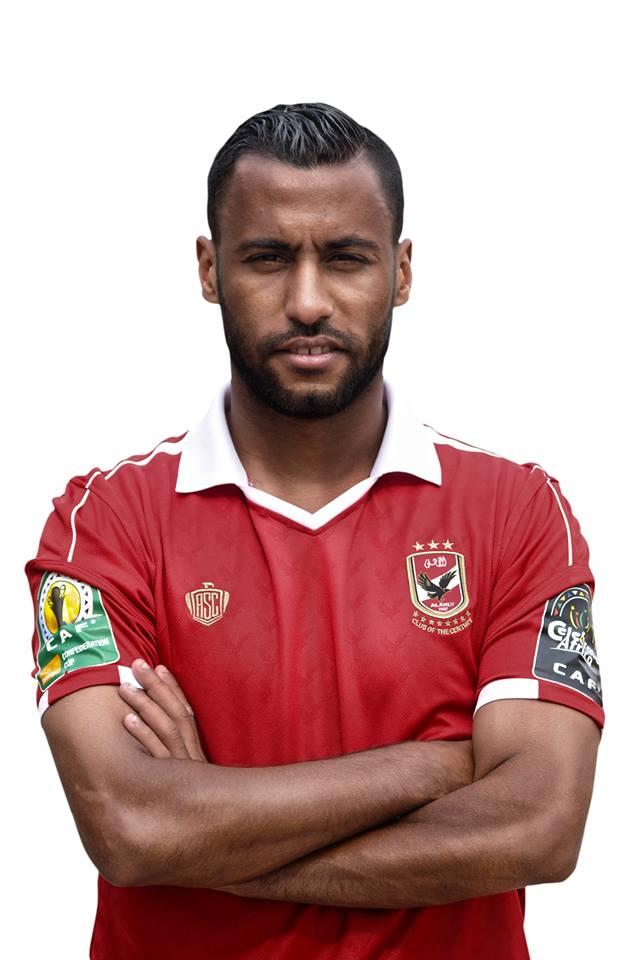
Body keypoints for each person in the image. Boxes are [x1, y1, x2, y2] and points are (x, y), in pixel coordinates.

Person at [25, 102, 603, 960]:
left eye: (344, 258)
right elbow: (130, 827)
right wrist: (436, 765)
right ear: (209, 269)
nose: (306, 301)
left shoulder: (518, 512)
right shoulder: (102, 524)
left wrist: (205, 831)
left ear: (400, 271)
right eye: (267, 258)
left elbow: (539, 828)